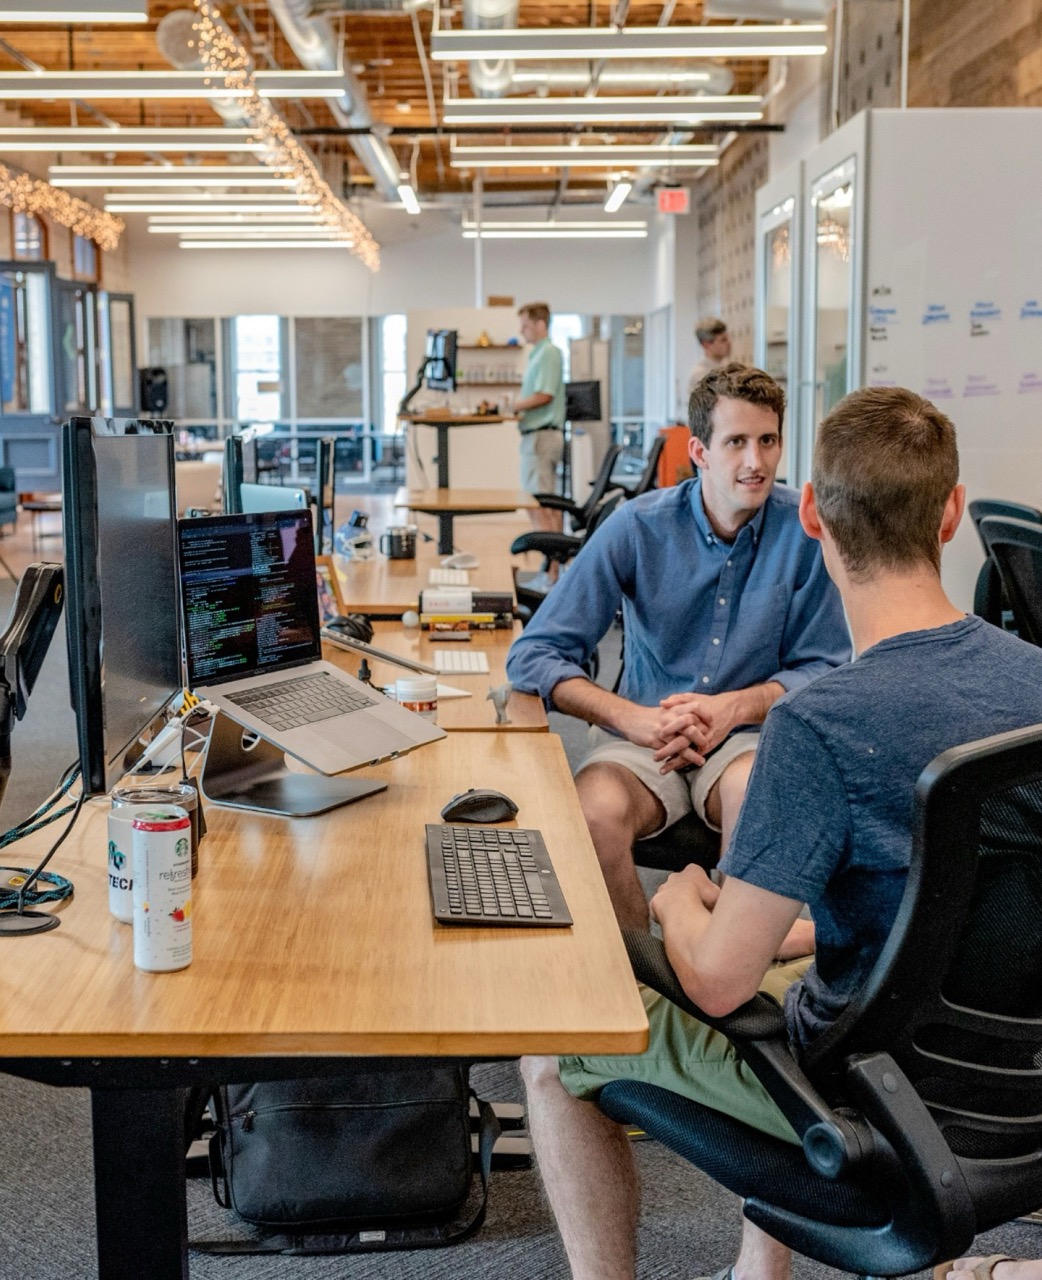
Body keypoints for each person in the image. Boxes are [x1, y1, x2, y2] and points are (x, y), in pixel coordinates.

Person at [520, 386, 1042, 1280]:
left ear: (812, 513)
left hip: (866, 1096)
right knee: (793, 951)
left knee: (548, 1045)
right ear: (952, 514)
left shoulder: (819, 727)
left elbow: (718, 984)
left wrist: (683, 902)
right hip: (1015, 1080)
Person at [507, 363, 850, 931]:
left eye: (768, 441)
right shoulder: (637, 528)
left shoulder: (806, 532)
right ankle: (645, 976)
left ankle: (723, 972)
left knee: (757, 804)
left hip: (746, 738)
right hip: (644, 735)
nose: (755, 462)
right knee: (592, 814)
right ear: (699, 450)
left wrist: (734, 708)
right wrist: (631, 719)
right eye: (736, 442)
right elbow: (534, 654)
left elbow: (827, 668)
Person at [513, 301, 566, 533]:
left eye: (525, 325)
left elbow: (545, 395)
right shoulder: (537, 354)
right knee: (539, 503)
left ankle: (552, 567)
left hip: (542, 437)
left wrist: (513, 406)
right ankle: (552, 564)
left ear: (540, 324)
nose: (521, 331)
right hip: (535, 436)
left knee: (541, 505)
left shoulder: (549, 353)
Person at [688, 316, 733, 394]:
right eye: (723, 340)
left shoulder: (728, 366)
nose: (729, 343)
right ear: (706, 344)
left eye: (728, 339)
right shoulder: (699, 375)